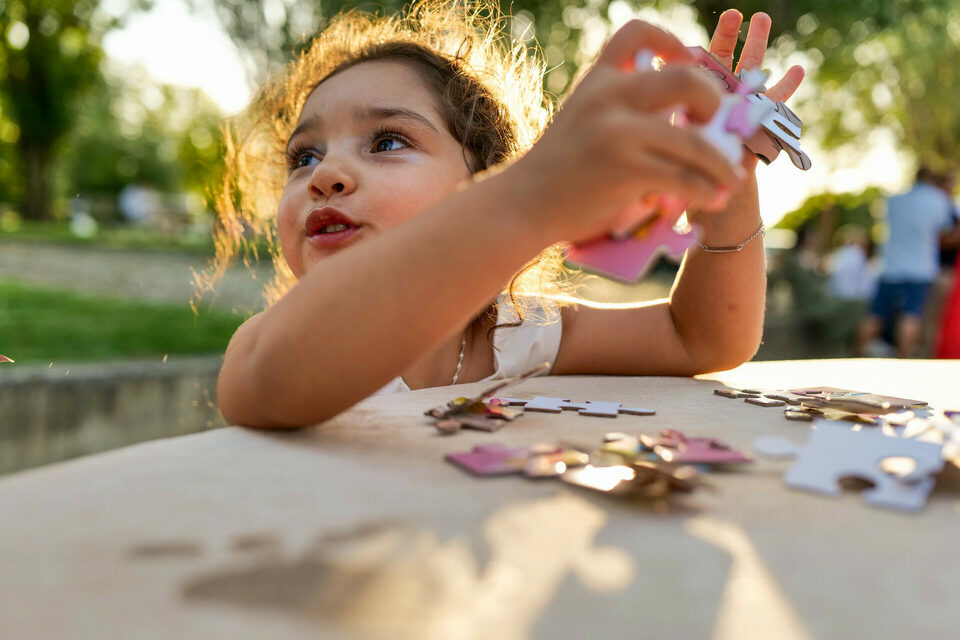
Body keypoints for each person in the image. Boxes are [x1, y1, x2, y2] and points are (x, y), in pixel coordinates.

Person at [210, 2, 805, 428]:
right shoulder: (279, 340)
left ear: (483, 175)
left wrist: (726, 176)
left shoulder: (517, 335)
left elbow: (699, 338)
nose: (325, 174)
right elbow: (276, 380)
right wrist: (530, 196)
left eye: (387, 141)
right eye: (303, 156)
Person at [856, 167, 956, 358]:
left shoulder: (894, 200)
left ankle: (856, 355)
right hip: (920, 270)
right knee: (910, 317)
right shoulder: (938, 200)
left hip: (890, 267)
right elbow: (947, 234)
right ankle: (904, 360)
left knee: (875, 316)